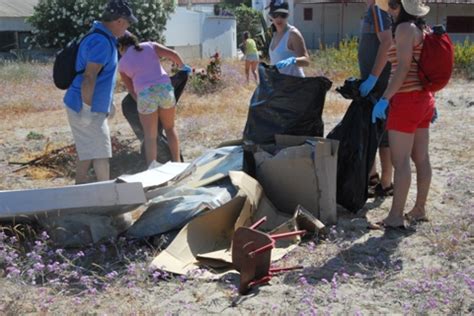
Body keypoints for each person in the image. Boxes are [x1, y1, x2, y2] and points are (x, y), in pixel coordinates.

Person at [370, 0, 434, 229]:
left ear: (405, 7)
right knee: (421, 158)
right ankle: (419, 209)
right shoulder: (421, 29)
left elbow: (404, 68)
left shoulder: (405, 29)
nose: (390, 9)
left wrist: (385, 98)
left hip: (406, 100)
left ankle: (395, 216)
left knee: (400, 161)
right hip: (423, 99)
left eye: (394, 5)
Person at [64, 0, 136, 184]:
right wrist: (87, 110)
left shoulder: (103, 38)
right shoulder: (101, 42)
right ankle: (106, 196)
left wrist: (108, 102)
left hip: (86, 103)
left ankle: (78, 192)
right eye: (127, 23)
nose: (127, 28)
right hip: (85, 106)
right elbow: (89, 77)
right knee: (101, 153)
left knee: (87, 151)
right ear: (119, 21)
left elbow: (102, 77)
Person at [117, 32, 191, 168]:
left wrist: (140, 101)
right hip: (165, 90)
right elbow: (173, 54)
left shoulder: (122, 64)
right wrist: (182, 66)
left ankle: (152, 168)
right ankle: (178, 163)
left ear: (121, 46)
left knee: (150, 136)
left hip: (145, 95)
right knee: (170, 128)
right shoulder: (150, 46)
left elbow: (131, 90)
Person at [358, 0, 394, 197]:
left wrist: (373, 77)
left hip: (379, 86)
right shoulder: (372, 8)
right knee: (374, 131)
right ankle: (374, 177)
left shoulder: (379, 7)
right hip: (374, 85)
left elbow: (387, 42)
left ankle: (385, 181)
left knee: (380, 133)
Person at [268, 0, 310, 77]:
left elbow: (306, 61)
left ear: (288, 15)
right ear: (270, 16)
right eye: (275, 15)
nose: (279, 18)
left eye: (283, 15)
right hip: (281, 84)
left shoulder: (293, 34)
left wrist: (293, 61)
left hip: (295, 84)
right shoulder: (275, 34)